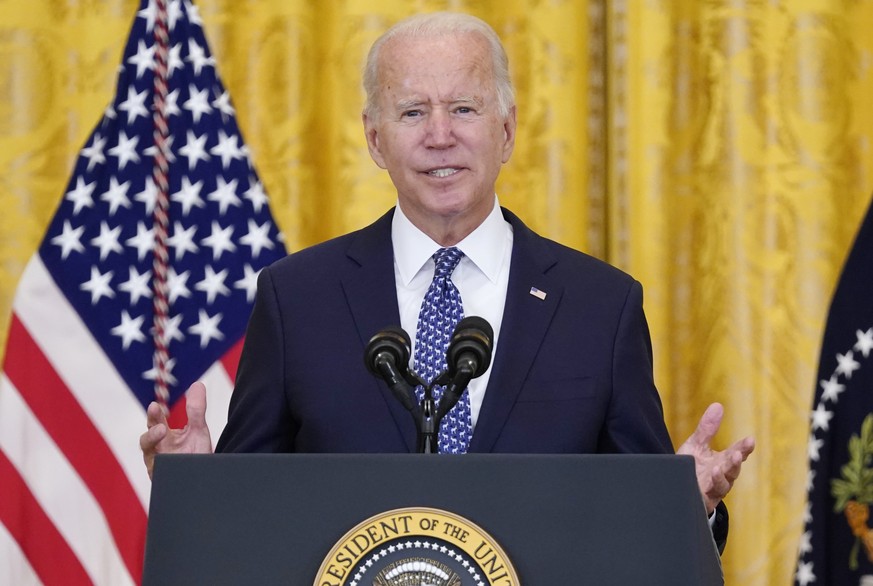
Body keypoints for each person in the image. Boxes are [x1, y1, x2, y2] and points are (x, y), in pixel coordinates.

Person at [140, 11, 754, 551]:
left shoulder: (601, 305)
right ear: (376, 140)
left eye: (464, 108)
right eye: (412, 112)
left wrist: (686, 506)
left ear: (507, 130)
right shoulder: (297, 298)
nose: (440, 135)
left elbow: (637, 528)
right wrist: (195, 489)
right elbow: (251, 519)